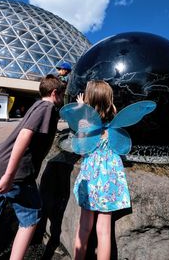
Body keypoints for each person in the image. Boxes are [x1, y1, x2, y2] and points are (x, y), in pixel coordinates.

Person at [0, 74, 65, 260]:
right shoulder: (47, 107)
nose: (63, 99)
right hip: (15, 173)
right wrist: (9, 175)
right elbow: (24, 136)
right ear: (55, 93)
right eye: (63, 94)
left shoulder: (37, 105)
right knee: (30, 218)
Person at [73, 80, 131, 260]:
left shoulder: (85, 125)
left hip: (90, 179)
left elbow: (81, 149)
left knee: (84, 227)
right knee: (104, 231)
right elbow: (122, 147)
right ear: (109, 102)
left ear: (89, 101)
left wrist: (81, 109)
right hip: (109, 180)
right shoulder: (115, 127)